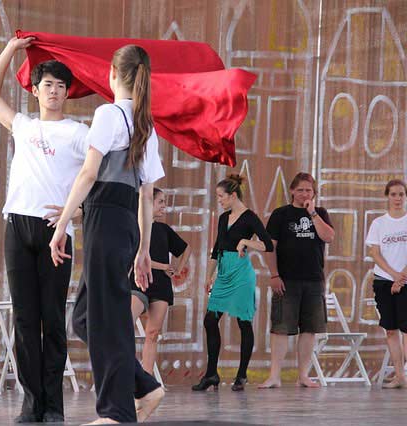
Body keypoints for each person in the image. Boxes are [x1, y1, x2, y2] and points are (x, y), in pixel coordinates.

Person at [50, 45, 165, 424]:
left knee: (107, 317)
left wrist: (63, 222)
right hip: (124, 222)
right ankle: (144, 385)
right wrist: (143, 248)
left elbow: (88, 173)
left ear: (113, 74)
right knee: (86, 318)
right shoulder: (145, 124)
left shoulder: (109, 114)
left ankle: (116, 411)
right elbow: (146, 194)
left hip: (106, 219)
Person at [0, 37, 89, 423]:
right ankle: (31, 404)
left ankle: (54, 406)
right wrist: (11, 49)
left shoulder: (79, 132)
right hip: (18, 226)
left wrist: (78, 213)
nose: (54, 91)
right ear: (35, 90)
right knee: (25, 320)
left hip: (55, 231)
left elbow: (99, 176)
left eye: (60, 85)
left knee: (52, 319)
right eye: (47, 85)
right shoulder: (23, 126)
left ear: (67, 92)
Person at [192, 175, 273, 392]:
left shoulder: (250, 217)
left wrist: (245, 241)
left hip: (241, 274)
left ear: (233, 195)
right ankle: (211, 374)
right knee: (210, 320)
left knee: (243, 322)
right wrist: (209, 276)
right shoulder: (223, 218)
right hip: (223, 273)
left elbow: (268, 245)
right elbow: (217, 248)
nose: (219, 200)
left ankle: (242, 375)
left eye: (221, 196)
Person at [259, 172, 334, 389]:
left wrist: (312, 213)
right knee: (281, 328)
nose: (304, 194)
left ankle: (303, 375)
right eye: (300, 190)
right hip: (286, 279)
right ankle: (275, 375)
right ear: (292, 191)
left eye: (308, 190)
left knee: (309, 329)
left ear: (314, 193)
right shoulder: (280, 214)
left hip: (314, 280)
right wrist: (274, 274)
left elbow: (328, 237)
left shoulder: (320, 213)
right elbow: (270, 247)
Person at [131, 187, 192, 374]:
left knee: (153, 333)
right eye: (161, 202)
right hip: (139, 283)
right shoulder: (134, 227)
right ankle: (125, 372)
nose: (164, 206)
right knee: (125, 325)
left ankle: (147, 377)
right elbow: (135, 257)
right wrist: (164, 266)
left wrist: (178, 269)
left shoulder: (164, 229)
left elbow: (186, 249)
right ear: (148, 202)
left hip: (161, 286)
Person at [365, 179, 407, 388]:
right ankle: (399, 376)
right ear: (387, 196)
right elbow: (375, 252)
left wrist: (401, 277)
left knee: (406, 329)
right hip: (384, 281)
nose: (397, 198)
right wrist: (393, 275)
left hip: (405, 280)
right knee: (391, 330)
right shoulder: (379, 223)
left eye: (401, 194)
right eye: (393, 194)